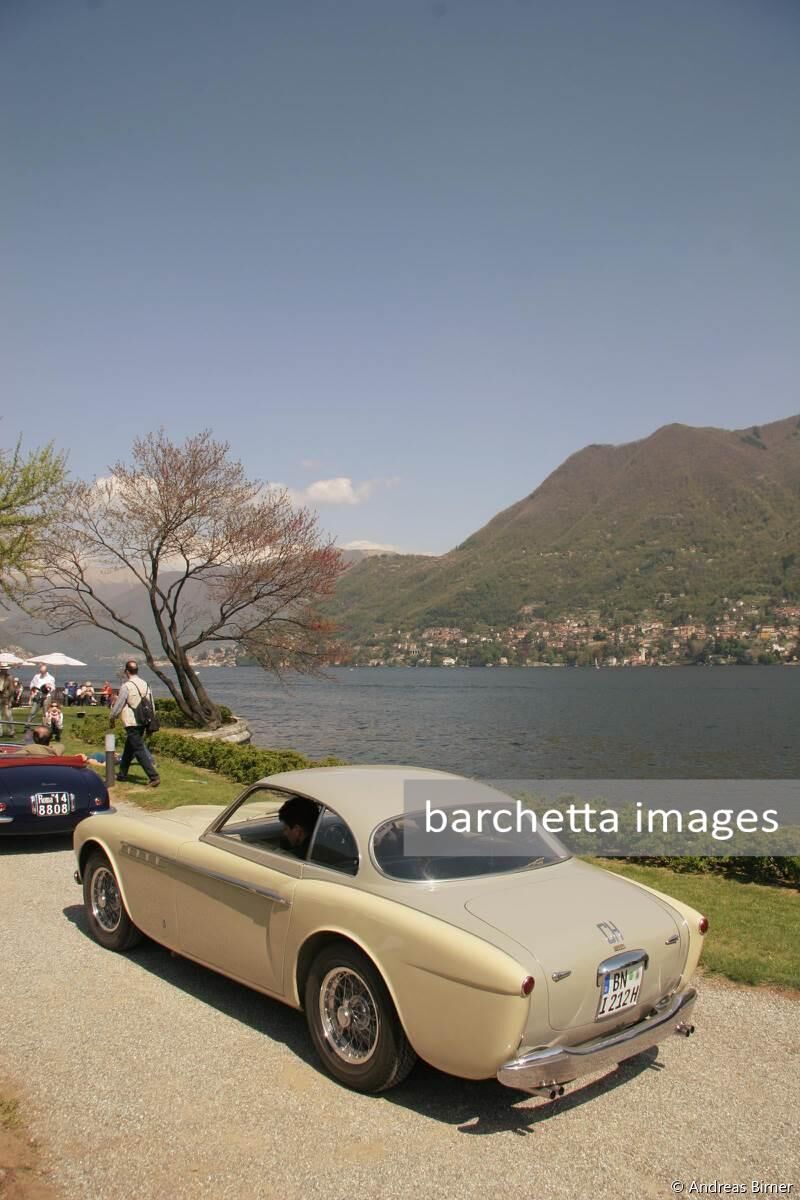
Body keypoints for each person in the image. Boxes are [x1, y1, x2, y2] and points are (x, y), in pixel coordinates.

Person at [109, 660, 160, 788]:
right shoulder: (145, 684)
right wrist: (151, 721)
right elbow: (151, 704)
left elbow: (119, 704)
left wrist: (112, 717)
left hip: (132, 721)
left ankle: (153, 777)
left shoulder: (127, 686)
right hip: (144, 720)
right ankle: (122, 774)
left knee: (138, 749)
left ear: (126, 672)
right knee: (129, 748)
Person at [26, 664, 55, 729]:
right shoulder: (36, 676)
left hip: (46, 696)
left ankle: (45, 726)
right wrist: (33, 690)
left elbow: (53, 688)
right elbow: (31, 685)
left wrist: (49, 687)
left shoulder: (51, 678)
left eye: (42, 671)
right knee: (32, 712)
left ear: (46, 671)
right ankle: (27, 725)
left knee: (45, 712)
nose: (41, 672)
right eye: (40, 671)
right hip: (37, 695)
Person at [0, 666, 16, 737]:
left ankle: (11, 732)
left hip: (6, 699)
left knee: (8, 716)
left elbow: (12, 690)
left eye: (5, 669)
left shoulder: (10, 677)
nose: (3, 670)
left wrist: (10, 700)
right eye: (2, 669)